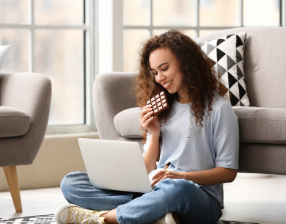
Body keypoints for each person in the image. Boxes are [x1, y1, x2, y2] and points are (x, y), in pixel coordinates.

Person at [54, 29, 239, 224]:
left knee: (176, 189)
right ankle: (153, 213)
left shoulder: (219, 109)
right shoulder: (162, 108)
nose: (160, 78)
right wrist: (154, 132)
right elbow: (148, 168)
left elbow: (228, 172)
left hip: (198, 199)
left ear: (186, 63)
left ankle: (105, 219)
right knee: (71, 182)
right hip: (154, 190)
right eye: (155, 72)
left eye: (164, 68)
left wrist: (180, 176)